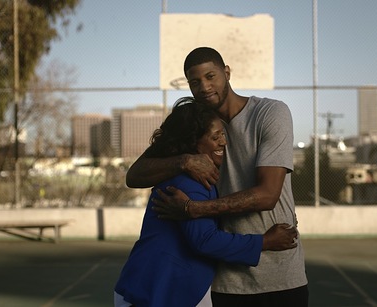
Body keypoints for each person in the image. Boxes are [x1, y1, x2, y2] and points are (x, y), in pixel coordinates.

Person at [126, 47, 308, 306]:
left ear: (227, 72)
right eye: (195, 82)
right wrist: (185, 161)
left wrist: (193, 209)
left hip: (280, 273)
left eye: (211, 76)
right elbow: (134, 175)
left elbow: (268, 194)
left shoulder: (269, 113)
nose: (204, 87)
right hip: (224, 280)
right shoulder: (193, 125)